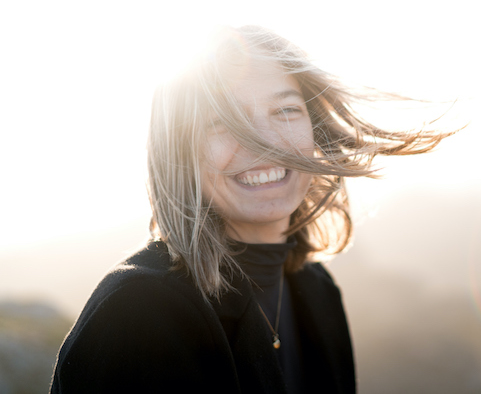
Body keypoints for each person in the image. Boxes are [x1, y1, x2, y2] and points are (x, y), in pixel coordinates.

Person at [50, 26, 452, 394]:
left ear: (315, 130)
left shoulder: (316, 290)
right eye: (222, 121)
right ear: (178, 152)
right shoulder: (139, 312)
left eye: (286, 111)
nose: (265, 141)